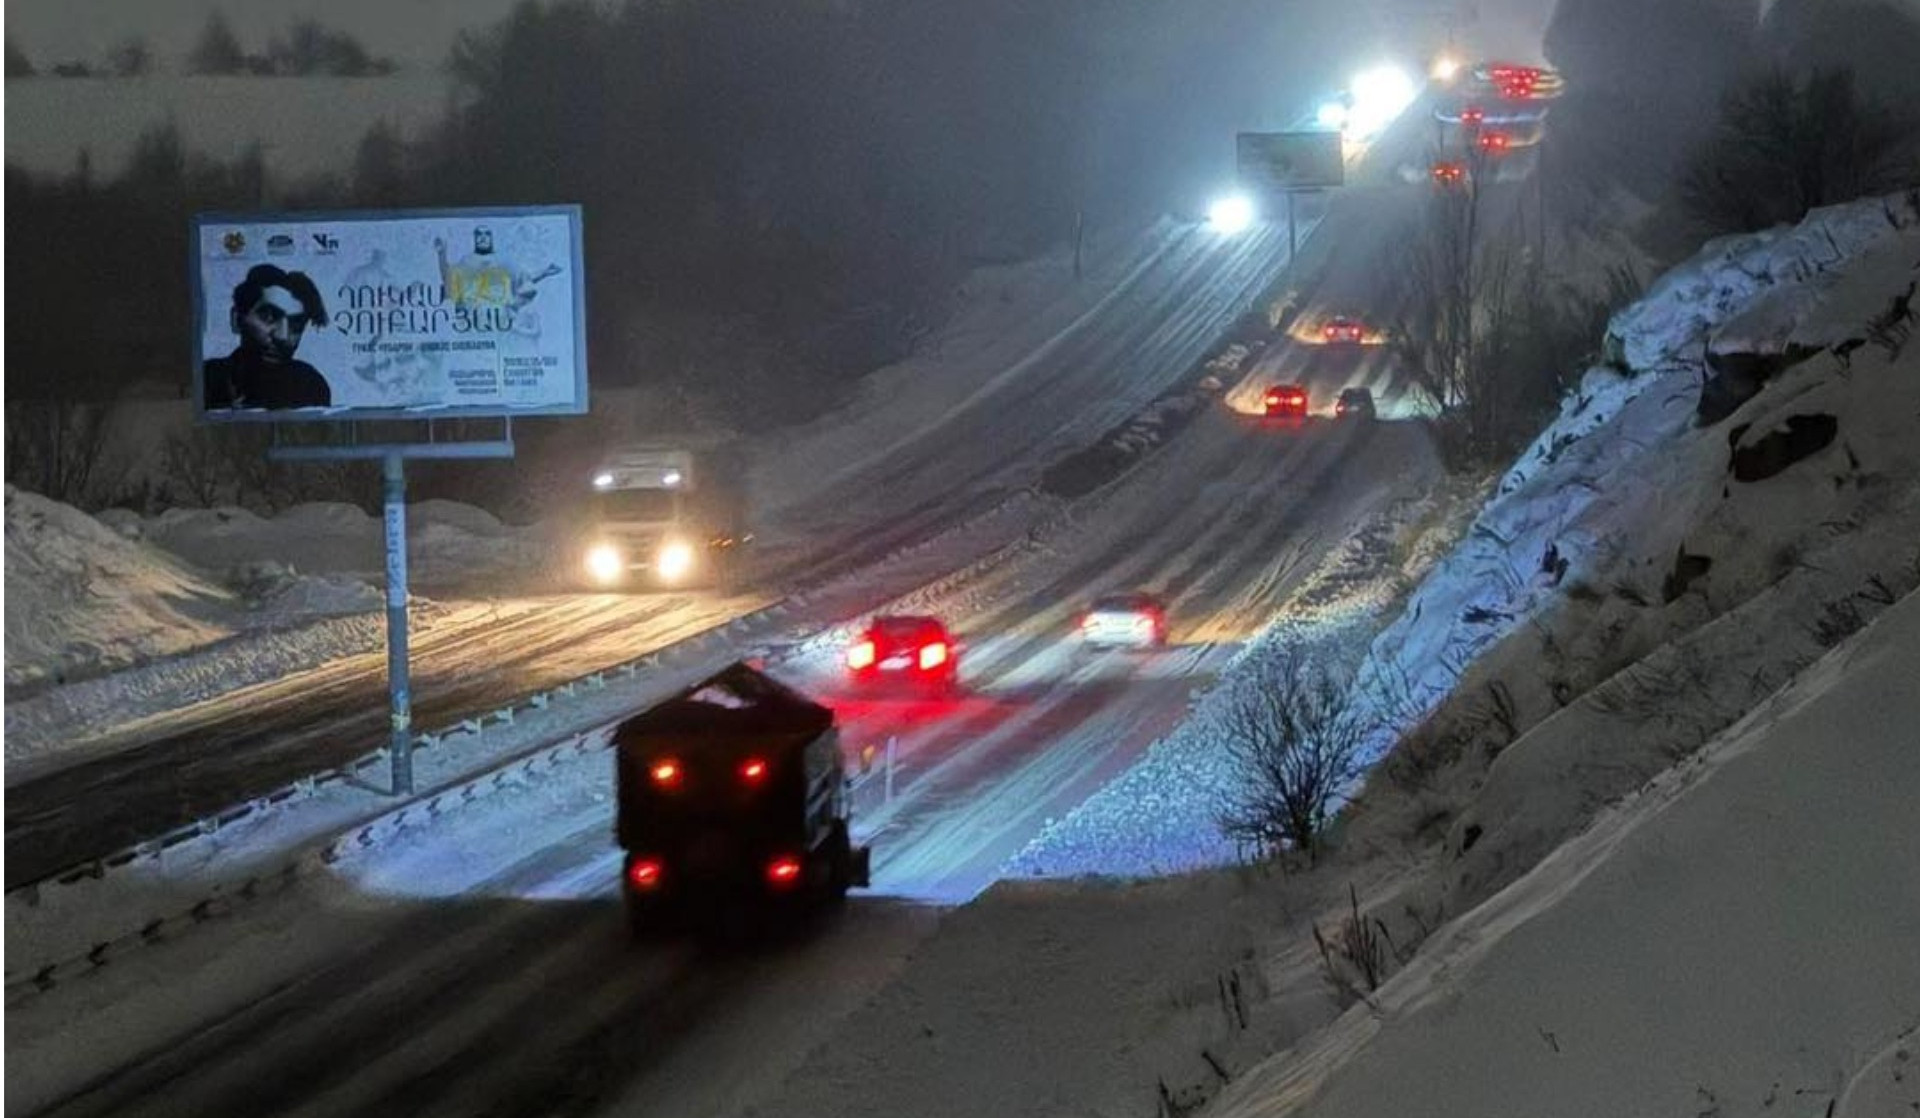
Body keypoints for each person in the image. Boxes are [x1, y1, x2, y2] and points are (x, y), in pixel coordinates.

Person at [203, 264, 333, 410]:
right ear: (236, 319)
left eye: (296, 325)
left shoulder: (310, 385)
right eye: (269, 317)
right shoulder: (206, 378)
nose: (282, 336)